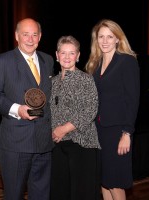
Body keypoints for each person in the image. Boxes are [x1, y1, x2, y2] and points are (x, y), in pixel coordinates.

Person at [0, 18, 54, 200]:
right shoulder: (2, 61)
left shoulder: (47, 60)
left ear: (40, 37)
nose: (30, 39)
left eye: (34, 34)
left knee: (42, 194)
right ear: (17, 36)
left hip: (43, 141)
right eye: (26, 34)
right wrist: (17, 109)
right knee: (14, 195)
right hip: (15, 143)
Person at [85, 19, 140, 200]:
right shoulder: (95, 64)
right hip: (98, 131)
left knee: (115, 182)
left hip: (118, 131)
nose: (105, 41)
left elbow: (132, 100)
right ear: (96, 40)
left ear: (118, 39)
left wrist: (127, 133)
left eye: (110, 36)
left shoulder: (127, 62)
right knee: (104, 181)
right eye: (101, 36)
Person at [50, 35, 101, 200]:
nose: (66, 57)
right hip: (58, 145)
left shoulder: (86, 79)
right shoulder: (52, 82)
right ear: (57, 55)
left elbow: (90, 110)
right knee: (60, 192)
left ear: (78, 56)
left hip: (82, 144)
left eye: (71, 53)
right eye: (63, 53)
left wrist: (63, 129)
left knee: (81, 193)